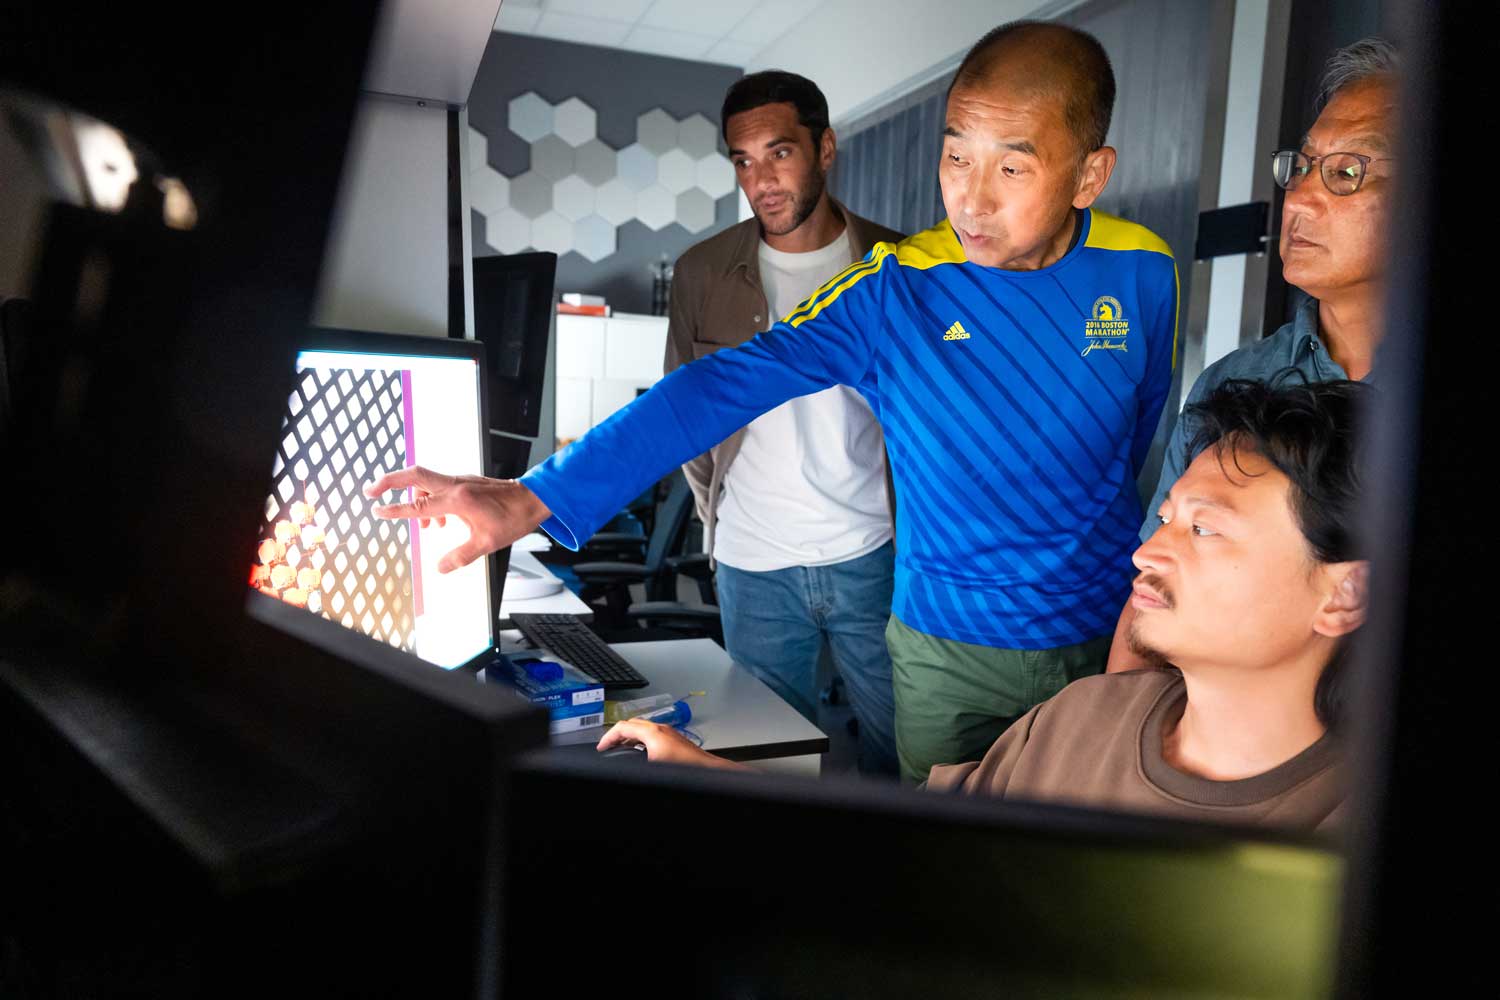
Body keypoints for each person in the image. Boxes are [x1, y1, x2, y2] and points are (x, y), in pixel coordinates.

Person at [364, 21, 1179, 783]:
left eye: (1012, 166)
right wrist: (536, 494)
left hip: (1103, 640)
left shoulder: (1144, 272)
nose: (970, 198)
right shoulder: (896, 291)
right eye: (956, 156)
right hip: (947, 653)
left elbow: (1132, 447)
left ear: (1089, 173)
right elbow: (716, 387)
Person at [599, 379, 1367, 833]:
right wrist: (708, 776)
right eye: (1165, 517)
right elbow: (915, 847)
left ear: (1345, 592)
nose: (1147, 551)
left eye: (1204, 529)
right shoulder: (1079, 721)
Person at [1107, 36, 1396, 673]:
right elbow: (1154, 587)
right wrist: (1110, 738)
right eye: (1302, 166)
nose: (1301, 197)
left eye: (1348, 173)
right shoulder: (1236, 384)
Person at [663, 71, 904, 777]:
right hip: (753, 562)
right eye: (742, 160)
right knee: (768, 767)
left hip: (874, 553)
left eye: (779, 153)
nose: (760, 179)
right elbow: (687, 413)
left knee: (905, 759)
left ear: (825, 148)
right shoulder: (702, 273)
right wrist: (718, 514)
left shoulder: (900, 264)